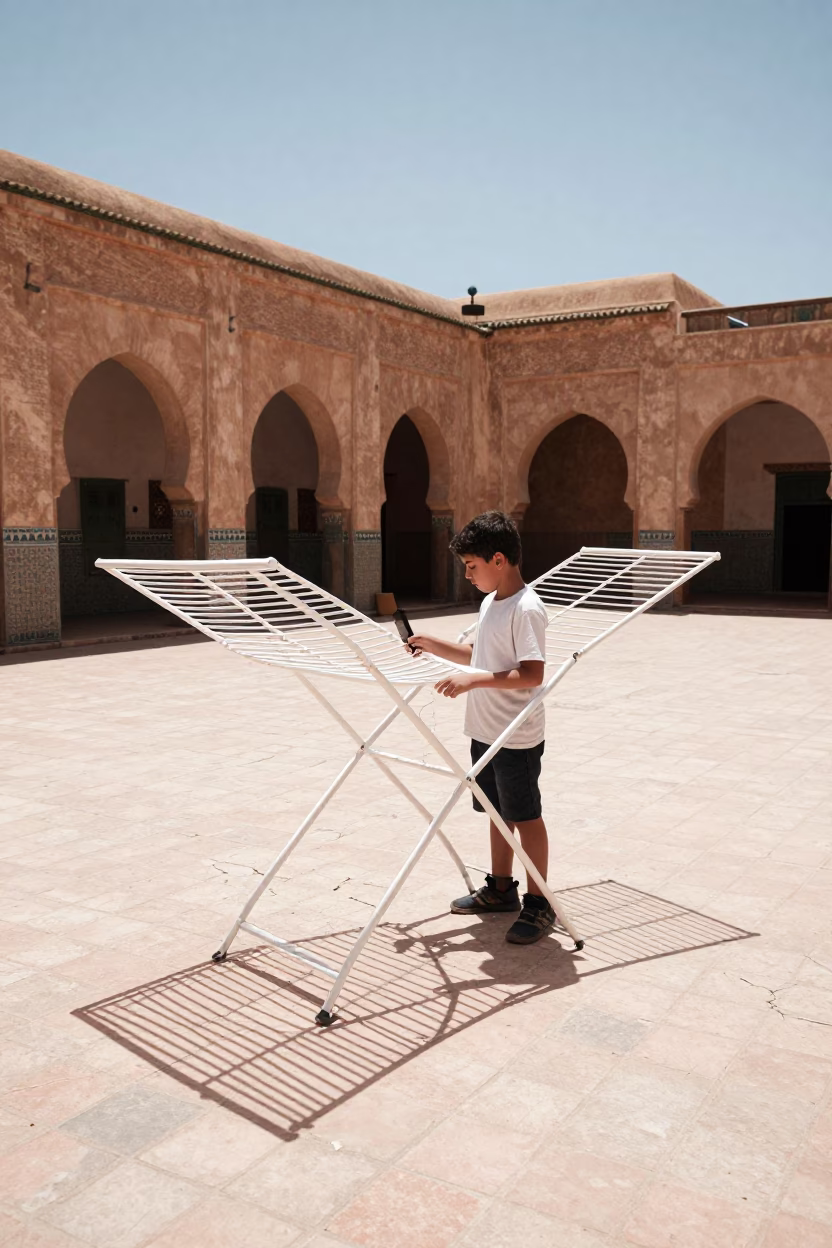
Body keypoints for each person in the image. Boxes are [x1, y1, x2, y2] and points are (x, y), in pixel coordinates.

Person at [408, 510, 555, 945]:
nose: (468, 576)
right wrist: (432, 644)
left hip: (516, 736)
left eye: (472, 567)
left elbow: (532, 673)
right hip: (486, 732)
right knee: (496, 812)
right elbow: (479, 652)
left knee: (524, 816)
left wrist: (473, 681)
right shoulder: (493, 602)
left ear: (498, 560)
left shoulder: (527, 608)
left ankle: (539, 903)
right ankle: (501, 889)